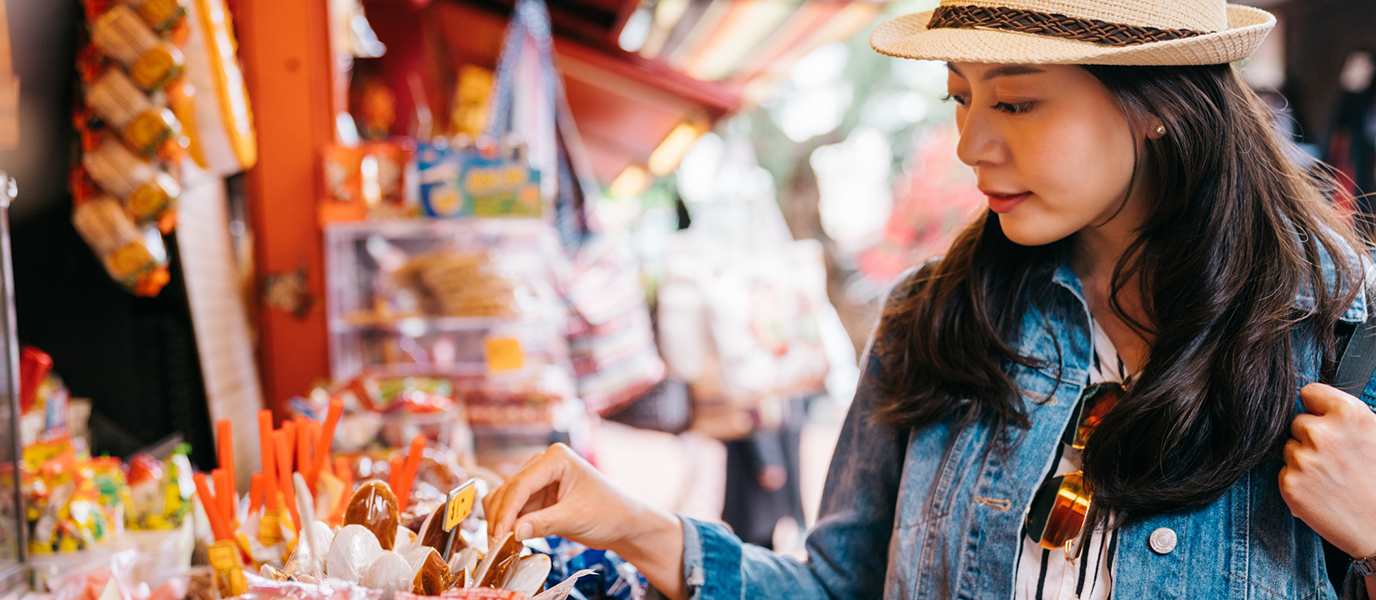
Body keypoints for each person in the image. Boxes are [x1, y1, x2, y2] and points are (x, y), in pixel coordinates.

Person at [483, 0, 1376, 598]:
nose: (970, 144)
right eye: (959, 98)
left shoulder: (1340, 334)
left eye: (1018, 104)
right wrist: (631, 524)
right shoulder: (939, 315)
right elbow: (841, 586)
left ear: (1161, 106)